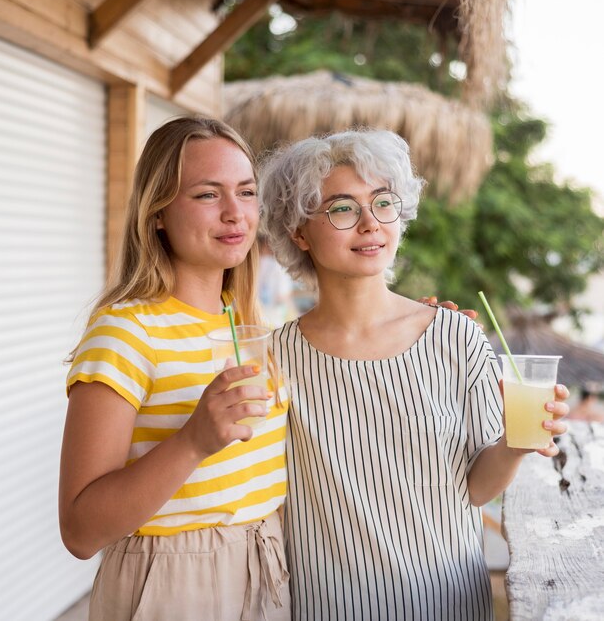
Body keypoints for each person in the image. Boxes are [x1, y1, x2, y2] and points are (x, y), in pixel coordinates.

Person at [259, 129, 570, 621]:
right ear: (299, 230)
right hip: (327, 607)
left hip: (448, 603)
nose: (369, 224)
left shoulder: (457, 338)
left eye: (383, 203)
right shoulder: (272, 359)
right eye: (342, 208)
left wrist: (515, 442)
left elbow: (475, 489)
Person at [59, 117, 290, 620]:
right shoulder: (125, 332)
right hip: (172, 583)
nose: (235, 213)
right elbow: (79, 531)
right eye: (208, 195)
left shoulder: (248, 323)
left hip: (266, 566)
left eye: (246, 192)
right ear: (157, 212)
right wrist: (193, 441)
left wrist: (418, 324)